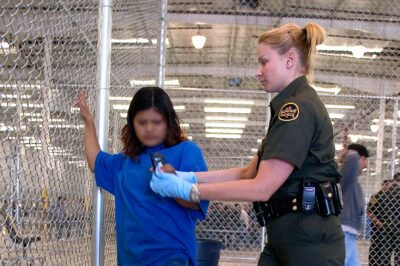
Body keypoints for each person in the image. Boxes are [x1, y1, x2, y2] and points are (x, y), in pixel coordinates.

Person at [150, 23, 345, 266]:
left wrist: (188, 191)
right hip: (287, 239)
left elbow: (260, 188)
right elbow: (247, 173)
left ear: (290, 59)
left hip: (309, 246)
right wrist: (186, 177)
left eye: (264, 61)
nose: (257, 71)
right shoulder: (288, 108)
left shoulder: (297, 110)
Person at [75, 87, 208, 265]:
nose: (150, 128)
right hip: (131, 259)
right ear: (132, 123)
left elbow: (197, 202)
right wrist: (88, 121)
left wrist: (174, 185)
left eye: (157, 121)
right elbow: (95, 161)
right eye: (142, 122)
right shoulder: (124, 163)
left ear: (169, 122)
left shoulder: (186, 152)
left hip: (172, 256)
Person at [339, 143, 369, 266]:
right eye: (364, 159)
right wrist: (352, 151)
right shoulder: (347, 176)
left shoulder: (353, 180)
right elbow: (351, 157)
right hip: (344, 232)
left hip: (349, 233)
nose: (365, 164)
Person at [367, 174, 400, 266]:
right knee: (377, 247)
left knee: (385, 251)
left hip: (385, 225)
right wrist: (378, 223)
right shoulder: (376, 196)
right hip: (379, 226)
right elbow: (369, 211)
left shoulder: (382, 195)